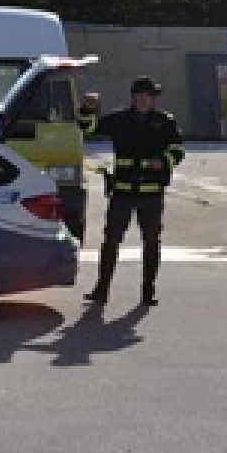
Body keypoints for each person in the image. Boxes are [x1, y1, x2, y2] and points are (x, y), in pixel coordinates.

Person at [77, 76, 185, 306]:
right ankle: (101, 290)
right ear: (134, 97)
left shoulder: (165, 122)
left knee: (151, 243)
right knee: (111, 242)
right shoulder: (119, 119)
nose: (146, 100)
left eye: (149, 96)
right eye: (142, 96)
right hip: (123, 193)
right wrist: (87, 108)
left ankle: (147, 292)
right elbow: (88, 128)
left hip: (152, 194)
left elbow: (177, 150)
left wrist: (164, 161)